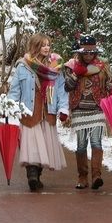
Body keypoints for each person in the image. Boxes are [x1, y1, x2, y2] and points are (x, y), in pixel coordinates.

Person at [8, 34, 69, 191]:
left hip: (48, 112)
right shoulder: (23, 66)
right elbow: (15, 90)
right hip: (29, 112)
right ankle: (32, 176)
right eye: (43, 45)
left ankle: (37, 176)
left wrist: (63, 108)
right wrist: (9, 107)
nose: (47, 48)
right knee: (32, 146)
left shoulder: (55, 66)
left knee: (45, 147)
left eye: (48, 44)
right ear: (35, 46)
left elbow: (61, 90)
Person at [63, 34, 112, 190]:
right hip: (79, 109)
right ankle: (82, 177)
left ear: (95, 53)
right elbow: (67, 86)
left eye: (91, 52)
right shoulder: (71, 66)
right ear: (80, 52)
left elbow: (111, 83)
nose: (88, 55)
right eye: (85, 52)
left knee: (96, 142)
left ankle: (96, 176)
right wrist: (76, 73)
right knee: (81, 145)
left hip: (97, 108)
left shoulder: (103, 66)